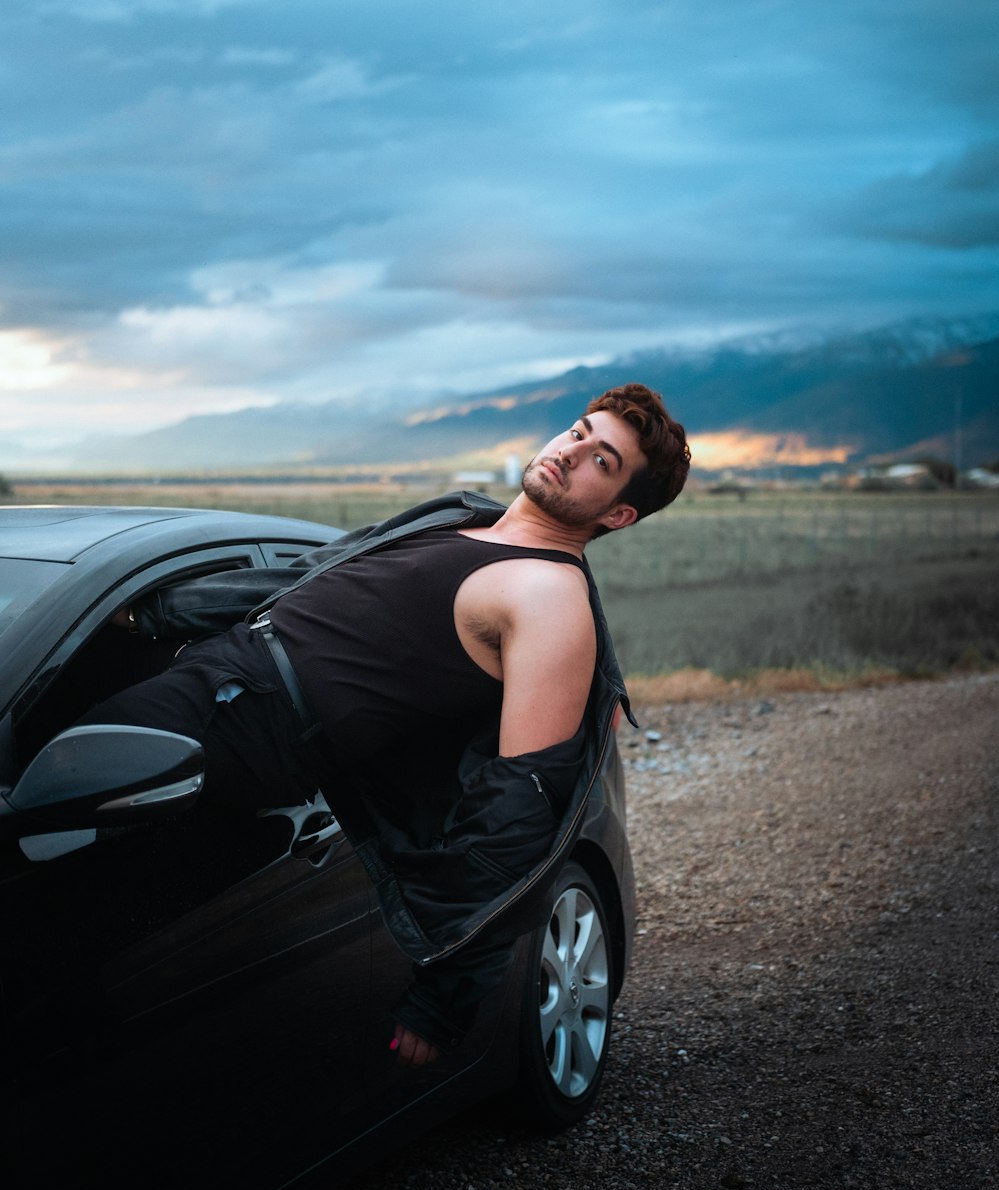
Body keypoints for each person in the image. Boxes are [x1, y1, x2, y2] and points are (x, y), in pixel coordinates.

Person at [79, 383, 690, 1067]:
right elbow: (306, 577)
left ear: (620, 513)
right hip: (216, 680)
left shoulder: (549, 596)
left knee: (46, 802)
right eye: (579, 432)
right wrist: (155, 615)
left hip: (251, 723)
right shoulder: (467, 520)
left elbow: (522, 810)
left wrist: (444, 998)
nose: (572, 452)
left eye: (602, 461)